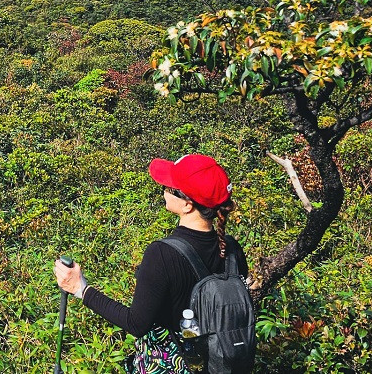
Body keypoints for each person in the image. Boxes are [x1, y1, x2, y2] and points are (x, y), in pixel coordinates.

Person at [53, 153, 248, 373]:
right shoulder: (232, 249)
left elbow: (137, 324)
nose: (164, 190)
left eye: (170, 188)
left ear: (187, 205)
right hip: (220, 362)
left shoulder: (163, 253)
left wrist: (80, 289)